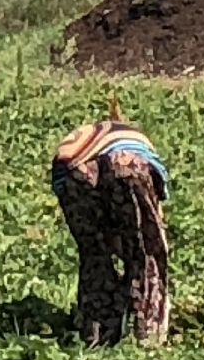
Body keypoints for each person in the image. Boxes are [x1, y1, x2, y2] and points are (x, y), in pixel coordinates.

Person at [51, 99, 171, 347]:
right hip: (128, 161)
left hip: (71, 163)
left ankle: (98, 332)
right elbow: (153, 216)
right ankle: (148, 335)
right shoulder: (140, 145)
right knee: (146, 252)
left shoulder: (125, 135)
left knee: (94, 252)